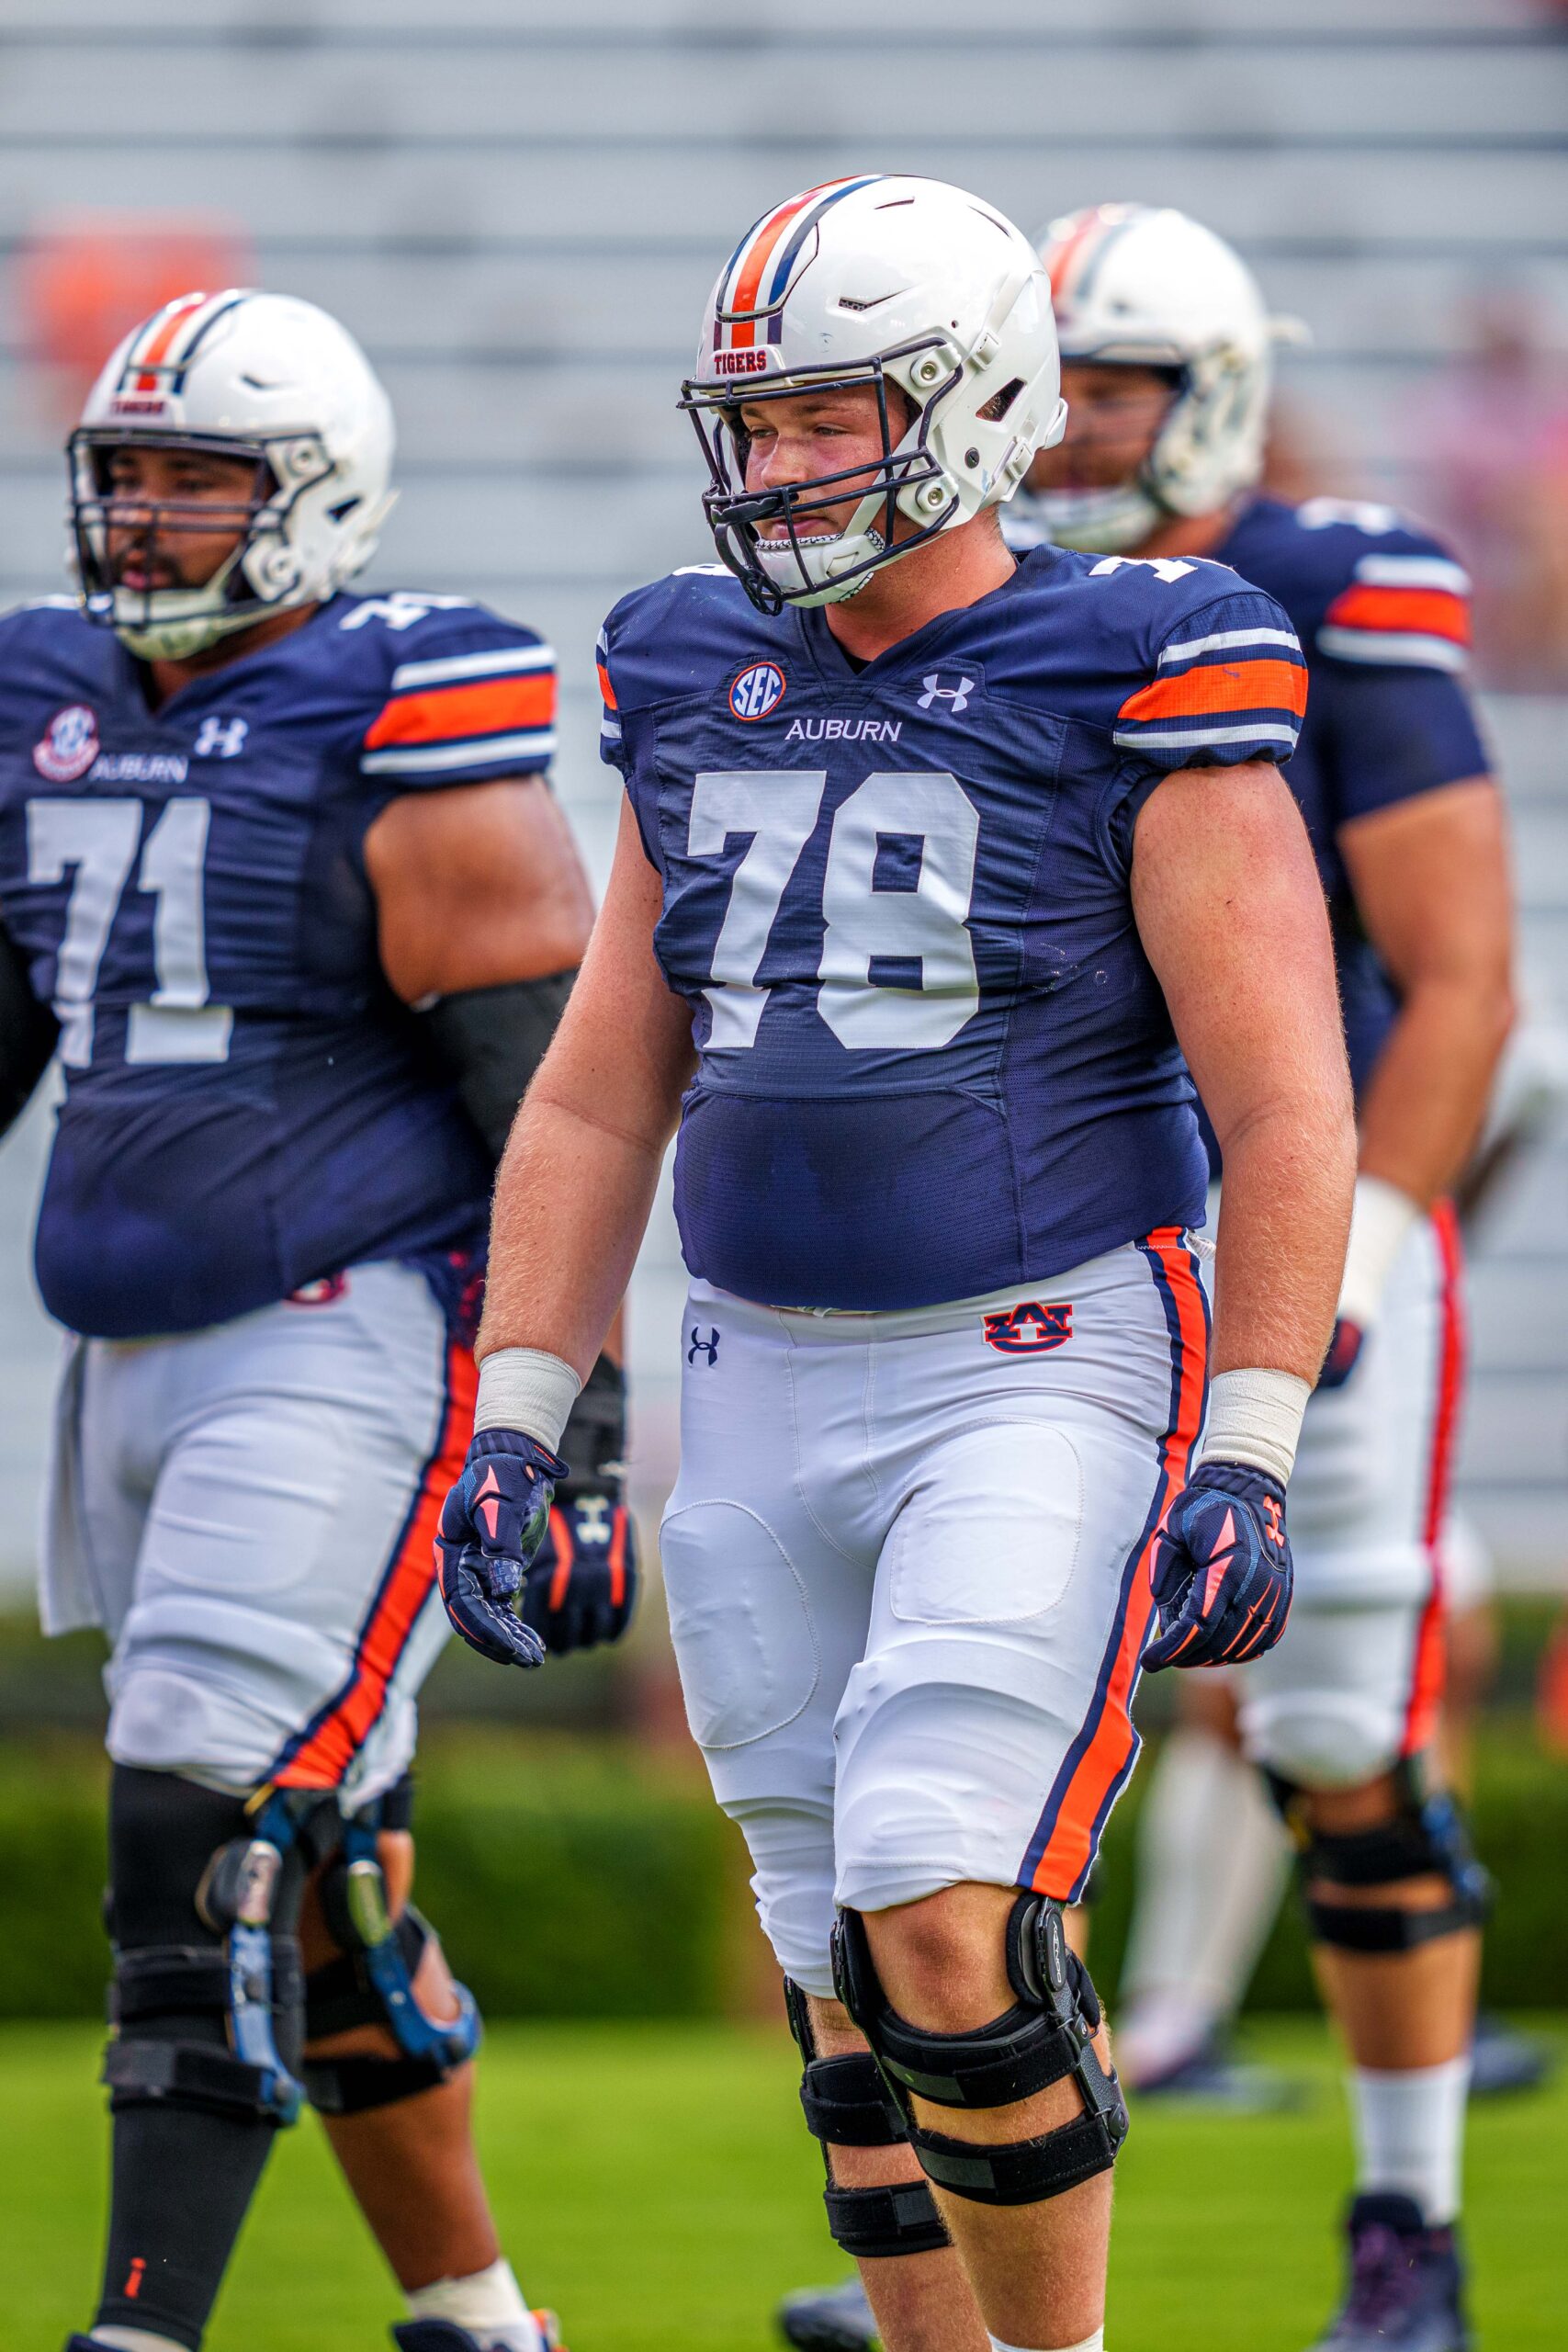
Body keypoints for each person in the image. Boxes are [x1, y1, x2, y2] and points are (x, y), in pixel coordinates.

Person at [434, 175, 1355, 2352]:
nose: (771, 471)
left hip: (1034, 1356)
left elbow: (1285, 1100)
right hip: (755, 1366)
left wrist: (1249, 1430)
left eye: (824, 421)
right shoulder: (684, 663)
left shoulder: (1137, 651)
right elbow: (588, 1095)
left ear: (971, 408)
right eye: (751, 426)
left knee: (946, 1908)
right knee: (840, 1971)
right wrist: (516, 1406)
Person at [0, 288, 639, 2352]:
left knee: (193, 1794)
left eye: (207, 475)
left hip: (352, 1330)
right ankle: (476, 2317)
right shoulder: (45, 695)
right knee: (332, 1857)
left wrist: (580, 1408)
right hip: (125, 1348)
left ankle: (138, 2323)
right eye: (133, 473)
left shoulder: (404, 693)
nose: (157, 513)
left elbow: (544, 1083)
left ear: (319, 494)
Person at [1016, 205, 1513, 2352]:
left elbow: (1464, 965)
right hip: (1056, 1230)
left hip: (1297, 1225)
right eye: (1033, 384)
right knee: (984, 1744)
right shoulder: (995, 602)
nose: (1051, 431)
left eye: (1096, 384)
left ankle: (1407, 2225)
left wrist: (1375, 1231)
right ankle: (971, 2241)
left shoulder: (1332, 579)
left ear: (1205, 381)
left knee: (1327, 1735)